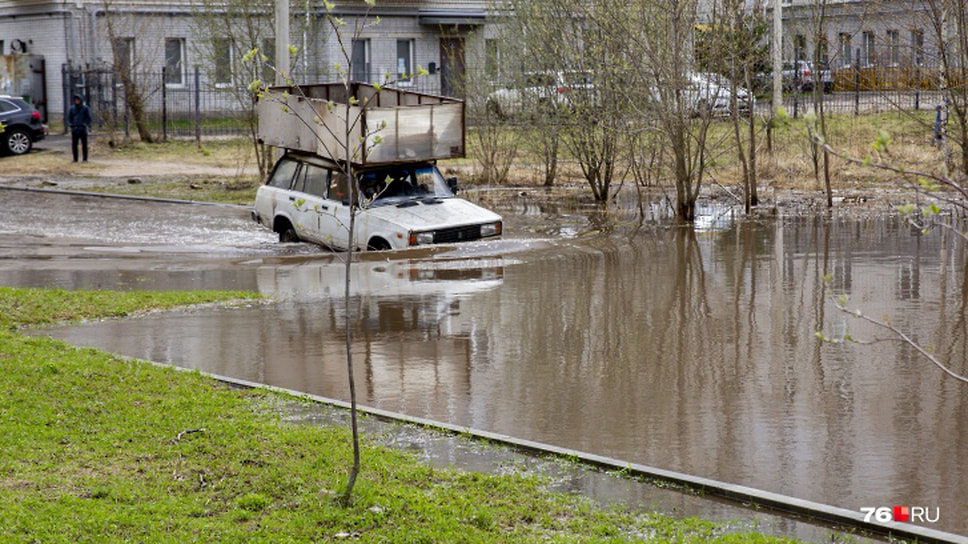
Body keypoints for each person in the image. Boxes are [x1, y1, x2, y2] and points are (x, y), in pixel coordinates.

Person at [67, 94, 92, 162]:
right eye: (75, 100)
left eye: (78, 100)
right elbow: (70, 118)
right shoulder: (72, 108)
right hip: (75, 129)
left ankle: (85, 159)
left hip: (82, 129)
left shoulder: (85, 108)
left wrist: (84, 124)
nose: (76, 101)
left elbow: (88, 118)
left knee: (84, 145)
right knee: (74, 145)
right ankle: (75, 159)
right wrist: (71, 124)